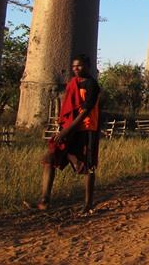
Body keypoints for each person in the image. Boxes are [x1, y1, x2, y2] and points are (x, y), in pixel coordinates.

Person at [37, 54, 100, 214]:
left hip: (87, 129)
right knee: (50, 157)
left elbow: (85, 111)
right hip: (70, 128)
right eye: (73, 67)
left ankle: (88, 204)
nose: (75, 69)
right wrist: (64, 128)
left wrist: (66, 131)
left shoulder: (92, 85)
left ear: (87, 65)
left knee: (89, 166)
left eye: (79, 66)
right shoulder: (72, 83)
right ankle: (44, 199)